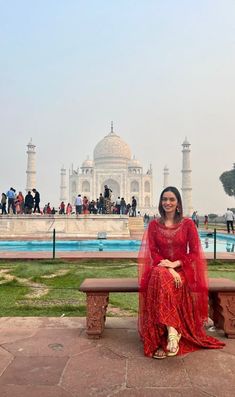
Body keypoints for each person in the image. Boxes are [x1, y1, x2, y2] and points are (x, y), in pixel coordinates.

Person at [138, 186, 225, 359]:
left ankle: (166, 335)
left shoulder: (187, 224)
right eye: (164, 199)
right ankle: (172, 331)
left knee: (159, 277)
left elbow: (193, 252)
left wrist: (175, 265)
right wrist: (169, 268)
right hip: (162, 267)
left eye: (171, 199)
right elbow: (153, 252)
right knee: (159, 275)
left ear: (178, 203)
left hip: (182, 270)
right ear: (160, 202)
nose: (167, 203)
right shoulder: (154, 225)